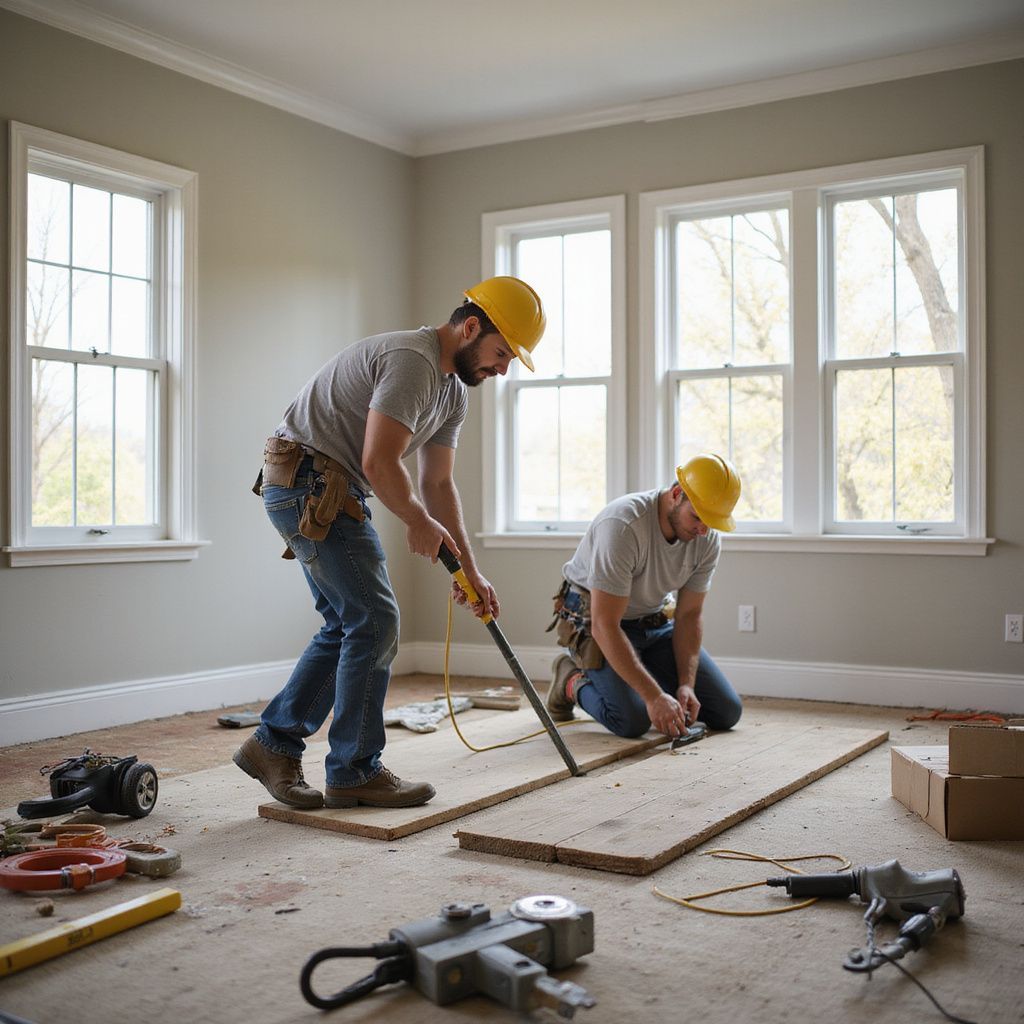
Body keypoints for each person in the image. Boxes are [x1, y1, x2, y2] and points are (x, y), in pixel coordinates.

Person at [235, 277, 545, 811]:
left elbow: (438, 484)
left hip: (327, 485)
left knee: (352, 623)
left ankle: (273, 745)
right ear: (470, 328)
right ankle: (354, 769)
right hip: (310, 481)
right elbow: (381, 462)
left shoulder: (450, 391)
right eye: (500, 353)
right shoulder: (413, 361)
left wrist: (469, 571)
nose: (502, 369)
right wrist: (417, 522)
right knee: (374, 621)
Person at [546, 454, 743, 740]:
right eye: (698, 517)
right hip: (594, 620)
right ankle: (569, 678)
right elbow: (604, 624)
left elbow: (688, 616)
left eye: (712, 522)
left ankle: (639, 671)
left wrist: (686, 685)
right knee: (632, 720)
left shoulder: (706, 538)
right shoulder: (624, 525)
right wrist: (653, 697)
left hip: (651, 619)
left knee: (725, 712)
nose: (703, 530)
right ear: (677, 495)